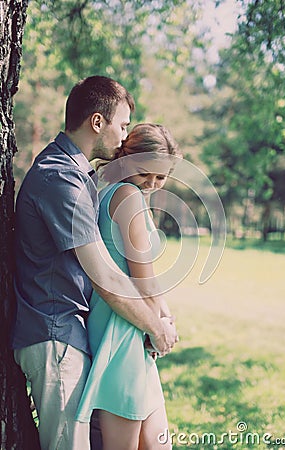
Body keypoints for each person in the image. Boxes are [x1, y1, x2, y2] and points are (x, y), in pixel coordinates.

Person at [12, 77, 178, 450]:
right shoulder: (59, 178)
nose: (124, 136)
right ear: (97, 122)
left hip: (73, 332)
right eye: (122, 124)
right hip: (53, 333)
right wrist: (157, 327)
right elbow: (103, 274)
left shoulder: (81, 177)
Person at [76, 123, 183, 450]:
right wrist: (159, 325)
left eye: (161, 177)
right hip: (121, 326)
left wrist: (165, 318)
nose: (152, 182)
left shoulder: (111, 189)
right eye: (145, 172)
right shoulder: (127, 195)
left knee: (154, 442)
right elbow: (144, 277)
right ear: (126, 159)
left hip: (131, 321)